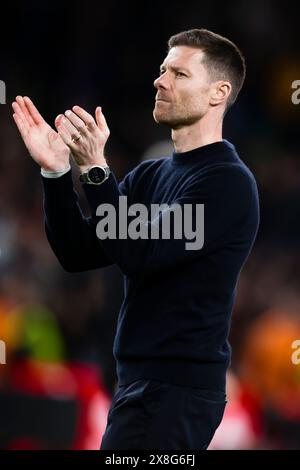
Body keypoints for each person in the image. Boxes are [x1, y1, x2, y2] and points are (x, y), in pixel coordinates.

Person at [12, 28, 260, 450]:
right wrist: (56, 174)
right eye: (163, 70)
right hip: (138, 386)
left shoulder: (227, 183)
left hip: (176, 392)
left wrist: (95, 169)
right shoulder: (150, 176)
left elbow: (142, 250)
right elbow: (78, 252)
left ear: (219, 93)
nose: (160, 81)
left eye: (179, 74)